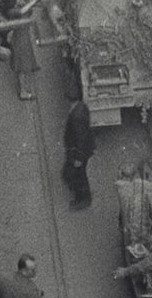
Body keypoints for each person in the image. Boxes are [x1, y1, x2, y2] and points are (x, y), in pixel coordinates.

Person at [62, 81, 95, 209]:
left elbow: (81, 138)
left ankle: (83, 199)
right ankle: (79, 192)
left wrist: (79, 158)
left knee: (79, 175)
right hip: (77, 150)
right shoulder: (81, 107)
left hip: (78, 152)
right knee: (73, 173)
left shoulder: (77, 115)